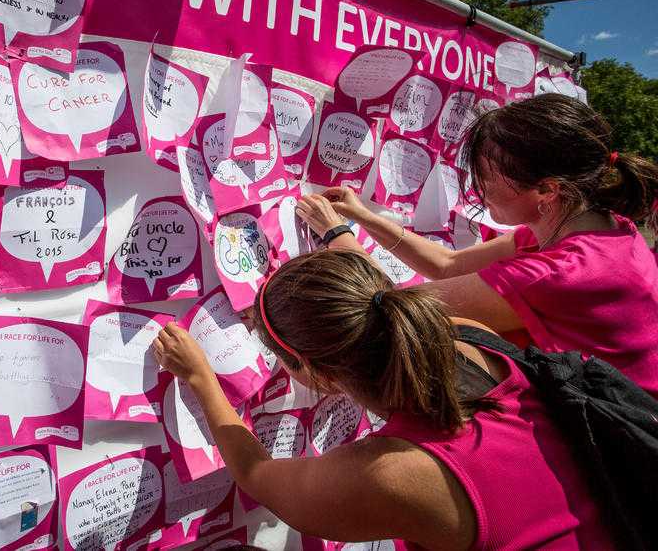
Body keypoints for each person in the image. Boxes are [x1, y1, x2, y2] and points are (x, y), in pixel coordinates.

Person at [152, 251, 615, 550]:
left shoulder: (391, 475)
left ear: (315, 373)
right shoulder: (473, 339)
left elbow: (256, 474)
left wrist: (199, 377)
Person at [295, 94, 658, 396]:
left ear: (547, 189)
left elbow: (388, 309)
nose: (477, 189)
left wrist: (334, 232)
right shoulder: (590, 227)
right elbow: (447, 264)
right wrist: (366, 217)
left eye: (486, 176)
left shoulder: (558, 274)